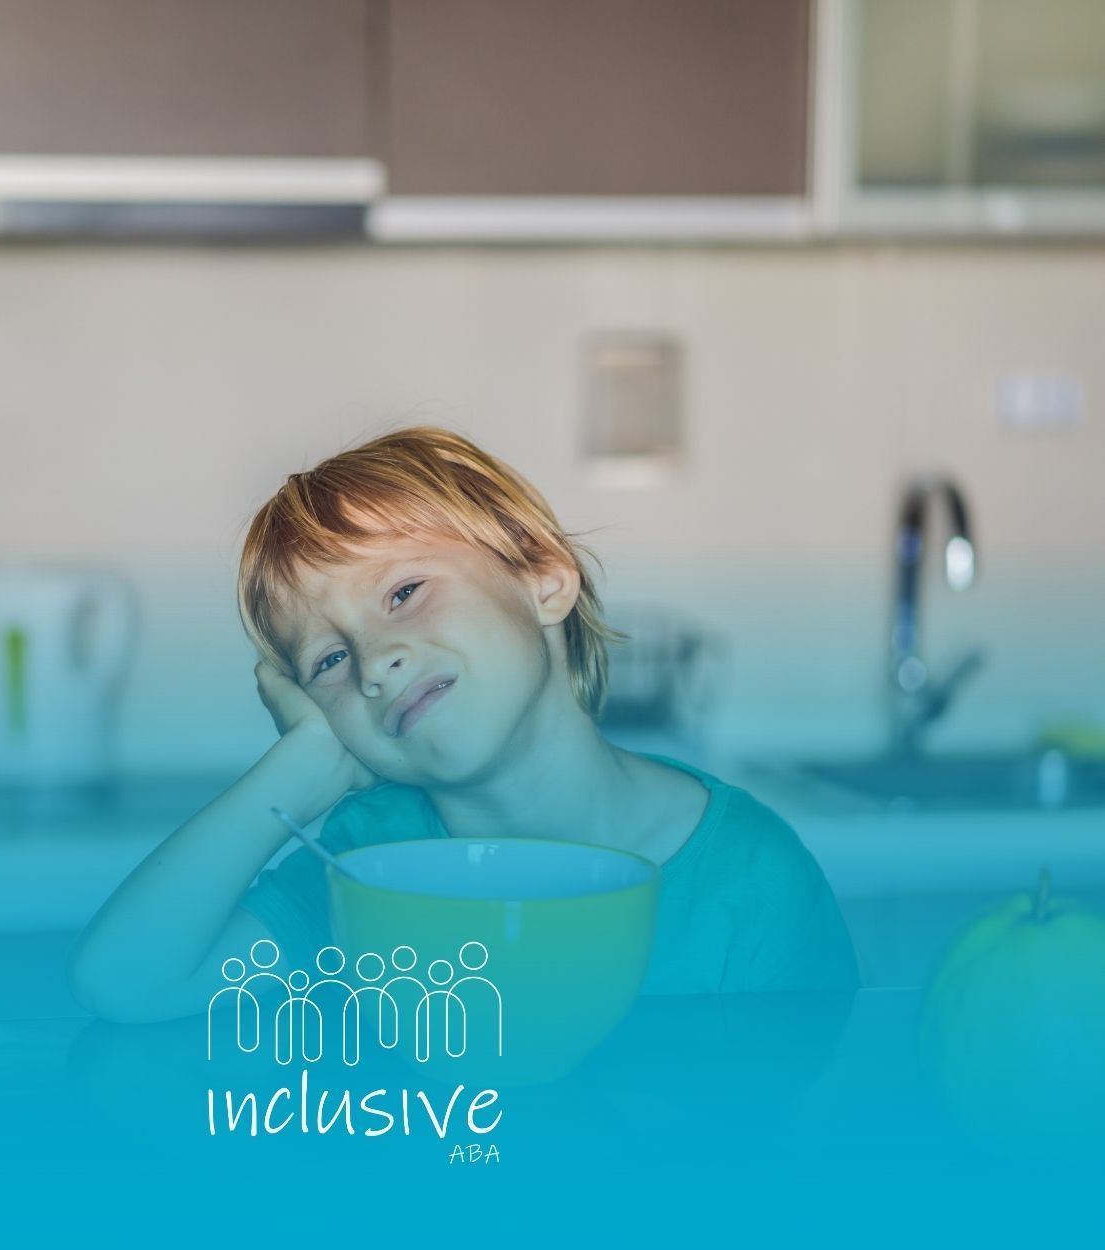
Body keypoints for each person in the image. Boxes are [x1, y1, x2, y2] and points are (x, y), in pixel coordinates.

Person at [69, 426, 861, 1024]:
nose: (375, 661)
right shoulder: (361, 860)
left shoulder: (753, 876)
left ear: (544, 579)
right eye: (330, 662)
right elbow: (128, 983)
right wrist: (307, 765)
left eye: (404, 592)